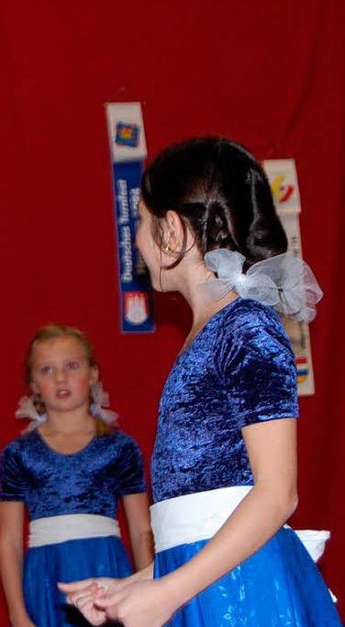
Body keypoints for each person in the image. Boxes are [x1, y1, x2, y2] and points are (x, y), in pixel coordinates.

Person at [60, 137, 339, 626]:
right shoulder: (209, 332)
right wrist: (135, 585)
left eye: (142, 222)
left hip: (244, 595)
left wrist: (168, 594)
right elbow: (202, 516)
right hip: (211, 585)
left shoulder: (245, 325)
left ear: (171, 229)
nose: (137, 241)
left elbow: (277, 493)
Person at [0, 325, 152, 627]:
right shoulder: (19, 454)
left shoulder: (120, 448)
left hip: (106, 568)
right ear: (34, 384)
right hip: (45, 578)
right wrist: (18, 614)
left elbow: (142, 532)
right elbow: (10, 542)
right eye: (47, 370)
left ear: (93, 374)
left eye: (71, 366)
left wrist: (149, 597)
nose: (60, 378)